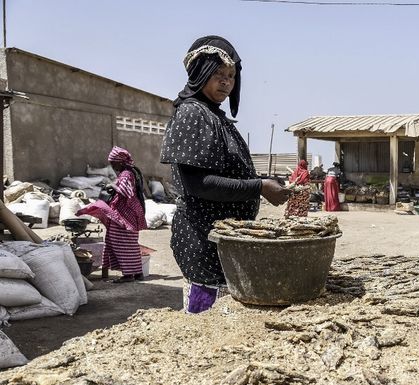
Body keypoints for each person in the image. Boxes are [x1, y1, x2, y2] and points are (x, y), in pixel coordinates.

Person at [160, 35, 290, 313]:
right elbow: (198, 183)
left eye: (231, 76)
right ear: (199, 72)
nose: (226, 82)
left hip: (219, 241)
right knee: (204, 321)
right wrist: (259, 187)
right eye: (218, 74)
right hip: (202, 242)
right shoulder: (193, 113)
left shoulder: (214, 116)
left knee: (221, 323)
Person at [77, 147, 147, 283]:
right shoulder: (130, 172)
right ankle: (137, 273)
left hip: (125, 214)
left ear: (120, 162)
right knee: (130, 243)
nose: (112, 166)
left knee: (120, 242)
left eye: (113, 163)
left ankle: (128, 275)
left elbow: (126, 193)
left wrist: (112, 186)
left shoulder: (127, 174)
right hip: (128, 213)